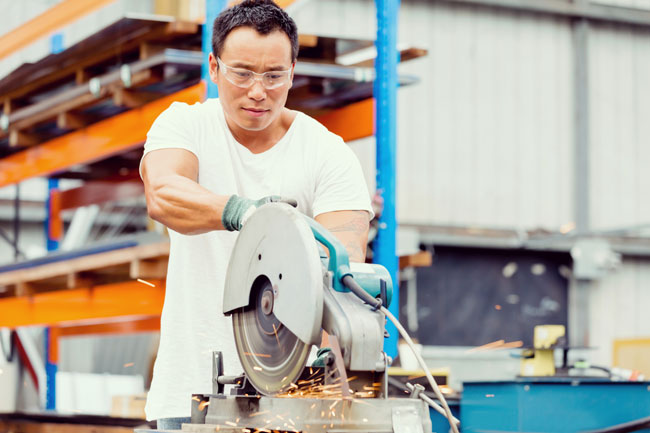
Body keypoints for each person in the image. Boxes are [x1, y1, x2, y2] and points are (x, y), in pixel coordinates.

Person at [140, 0, 373, 429]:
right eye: (242, 73)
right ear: (214, 67)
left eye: (273, 75)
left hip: (294, 397)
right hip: (190, 390)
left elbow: (347, 262)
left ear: (293, 70)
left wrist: (326, 353)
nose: (258, 91)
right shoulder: (184, 126)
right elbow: (164, 194)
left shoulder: (327, 153)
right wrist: (245, 214)